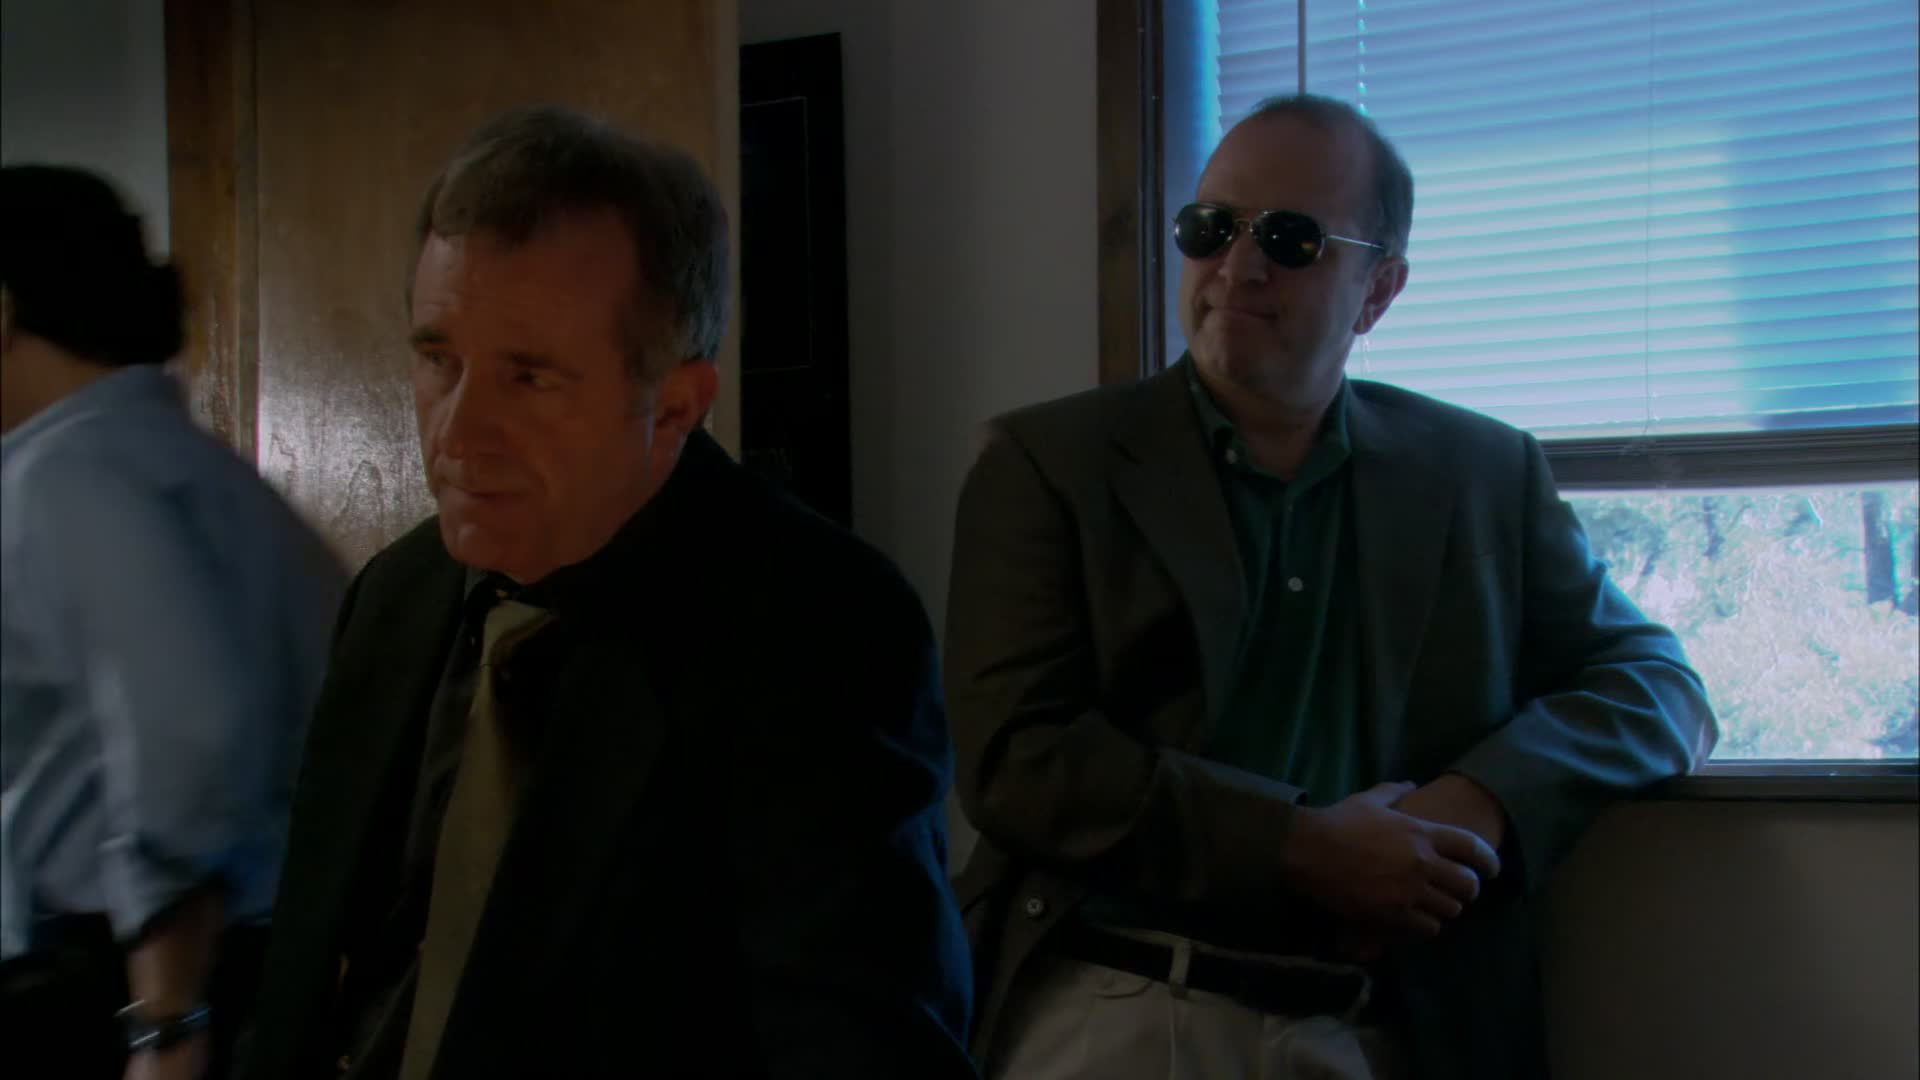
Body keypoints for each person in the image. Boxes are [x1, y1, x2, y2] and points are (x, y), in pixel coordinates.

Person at [944, 94, 1718, 1079]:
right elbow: (1016, 760)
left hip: (1387, 1024)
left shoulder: (1481, 474)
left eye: (1291, 239)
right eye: (1210, 228)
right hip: (1123, 1000)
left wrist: (1475, 804)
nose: (1238, 267)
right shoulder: (1049, 463)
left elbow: (1659, 685)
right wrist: (1300, 845)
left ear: (1378, 289)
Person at [239, 105, 976, 1080]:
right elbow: (314, 975)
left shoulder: (815, 630)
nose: (458, 433)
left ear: (675, 405)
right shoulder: (399, 593)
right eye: (438, 359)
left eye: (529, 377)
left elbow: (863, 1056)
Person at [0, 165, 348, 1080]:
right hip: (247, 974)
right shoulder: (218, 481)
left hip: (125, 996)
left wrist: (164, 1022)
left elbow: (188, 741)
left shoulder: (63, 477)